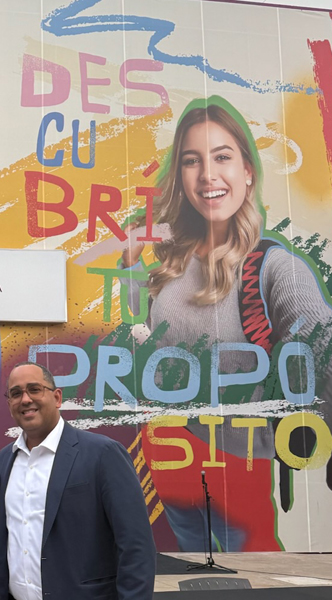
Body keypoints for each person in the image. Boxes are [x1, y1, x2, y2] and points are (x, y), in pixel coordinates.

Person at [121, 96, 332, 550]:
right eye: (191, 161)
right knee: (196, 575)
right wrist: (131, 258)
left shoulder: (278, 268)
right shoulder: (167, 260)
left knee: (257, 577)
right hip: (169, 457)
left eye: (222, 157)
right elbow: (139, 339)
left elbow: (324, 357)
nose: (208, 175)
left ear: (248, 171)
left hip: (241, 466)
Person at [0, 362, 155, 600]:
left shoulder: (103, 454)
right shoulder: (5, 459)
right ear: (9, 404)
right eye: (16, 393)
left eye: (35, 389)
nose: (25, 399)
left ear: (57, 397)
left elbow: (136, 546)